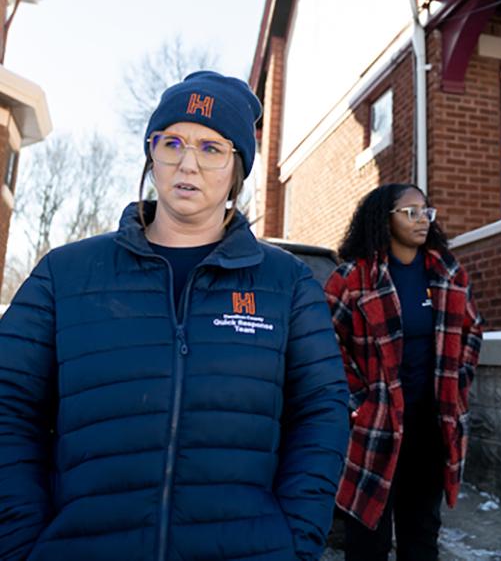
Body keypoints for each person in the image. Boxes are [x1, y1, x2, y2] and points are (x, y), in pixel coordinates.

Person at [0, 71, 348, 560]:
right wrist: (19, 541)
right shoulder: (67, 273)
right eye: (173, 143)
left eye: (211, 148)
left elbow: (321, 413)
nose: (188, 162)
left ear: (237, 169)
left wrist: (294, 541)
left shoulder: (286, 284)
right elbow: (8, 403)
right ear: (152, 153)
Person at [326, 183, 482, 561]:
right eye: (410, 212)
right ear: (383, 218)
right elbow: (327, 345)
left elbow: (472, 329)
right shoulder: (353, 279)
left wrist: (456, 383)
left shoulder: (448, 274)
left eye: (426, 211)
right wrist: (359, 400)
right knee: (367, 537)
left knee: (422, 535)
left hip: (430, 424)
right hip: (374, 427)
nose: (422, 220)